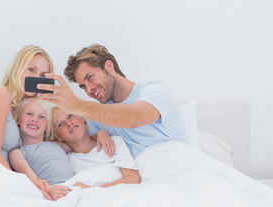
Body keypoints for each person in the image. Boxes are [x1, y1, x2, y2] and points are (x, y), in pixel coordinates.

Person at [37, 44, 188, 158]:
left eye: (90, 77)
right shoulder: (97, 115)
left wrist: (77, 105)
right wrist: (98, 134)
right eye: (83, 86)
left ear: (109, 67)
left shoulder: (154, 90)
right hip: (147, 181)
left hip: (176, 167)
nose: (88, 90)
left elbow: (134, 117)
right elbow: (75, 135)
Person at [52, 107, 140, 188]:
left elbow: (133, 179)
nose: (68, 123)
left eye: (70, 115)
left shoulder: (114, 142)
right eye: (60, 124)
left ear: (82, 118)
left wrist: (92, 189)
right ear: (58, 137)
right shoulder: (67, 162)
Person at [9, 96, 74, 200]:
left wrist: (99, 134)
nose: (34, 119)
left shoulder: (58, 145)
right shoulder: (17, 153)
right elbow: (32, 179)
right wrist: (48, 189)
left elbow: (81, 145)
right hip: (52, 191)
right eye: (29, 114)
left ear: (47, 125)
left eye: (42, 117)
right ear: (18, 120)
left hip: (74, 188)